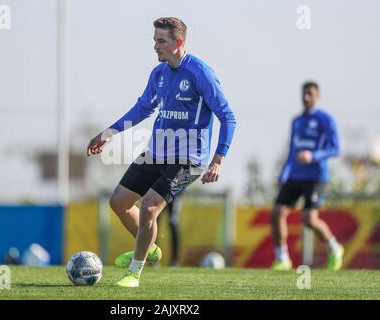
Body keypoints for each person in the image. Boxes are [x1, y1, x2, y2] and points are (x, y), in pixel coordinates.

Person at [87, 17, 236, 287]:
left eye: (161, 41)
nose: (155, 46)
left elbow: (228, 117)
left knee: (148, 207)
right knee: (118, 203)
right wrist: (108, 134)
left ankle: (134, 272)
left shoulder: (200, 72)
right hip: (157, 151)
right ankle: (151, 247)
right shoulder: (158, 74)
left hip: (188, 159)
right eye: (154, 40)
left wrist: (218, 159)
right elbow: (142, 108)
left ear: (178, 42)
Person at [271, 82, 344, 271]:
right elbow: (291, 151)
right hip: (295, 175)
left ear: (317, 96)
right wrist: (283, 174)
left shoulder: (325, 119)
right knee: (278, 212)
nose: (306, 97)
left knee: (309, 219)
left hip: (316, 176)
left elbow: (335, 148)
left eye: (310, 94)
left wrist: (313, 156)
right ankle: (282, 258)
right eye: (304, 93)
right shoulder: (296, 121)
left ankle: (335, 248)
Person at [157, 196, 182, 266]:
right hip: (158, 194)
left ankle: (175, 260)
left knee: (173, 225)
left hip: (174, 195)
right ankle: (153, 260)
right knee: (153, 225)